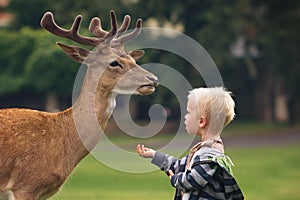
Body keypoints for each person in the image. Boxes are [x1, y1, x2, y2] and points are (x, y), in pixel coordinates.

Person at [136, 87, 244, 200]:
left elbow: (192, 180)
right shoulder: (202, 150)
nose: (185, 117)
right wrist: (155, 155)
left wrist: (175, 179)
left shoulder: (210, 156)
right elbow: (178, 166)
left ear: (201, 121)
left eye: (189, 112)